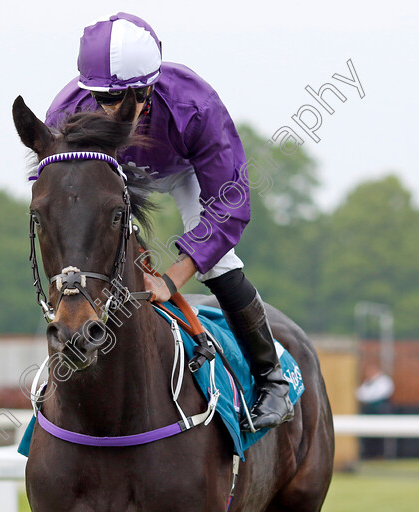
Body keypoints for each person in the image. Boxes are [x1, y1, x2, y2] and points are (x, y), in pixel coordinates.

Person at [45, 12, 292, 431]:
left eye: (123, 102)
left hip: (184, 170)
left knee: (220, 262)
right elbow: (55, 196)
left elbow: (229, 206)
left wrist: (172, 278)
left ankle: (272, 380)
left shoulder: (196, 106)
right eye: (102, 101)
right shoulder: (66, 112)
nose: (110, 113)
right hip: (112, 173)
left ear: (149, 87)